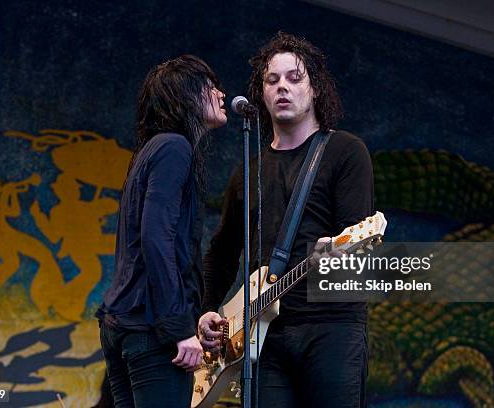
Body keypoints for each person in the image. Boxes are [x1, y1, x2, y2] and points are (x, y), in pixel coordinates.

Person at [199, 32, 374, 407]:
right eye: (272, 80)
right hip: (263, 336)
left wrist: (337, 257)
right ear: (260, 94)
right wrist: (208, 309)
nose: (283, 88)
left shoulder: (345, 152)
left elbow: (359, 249)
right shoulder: (249, 170)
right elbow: (222, 252)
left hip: (332, 328)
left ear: (315, 89)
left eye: (294, 78)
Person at [96, 55, 227, 407]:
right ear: (187, 97)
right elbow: (157, 239)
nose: (221, 94)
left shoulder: (152, 150)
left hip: (124, 323)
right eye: (210, 87)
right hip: (150, 329)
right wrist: (178, 329)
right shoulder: (174, 147)